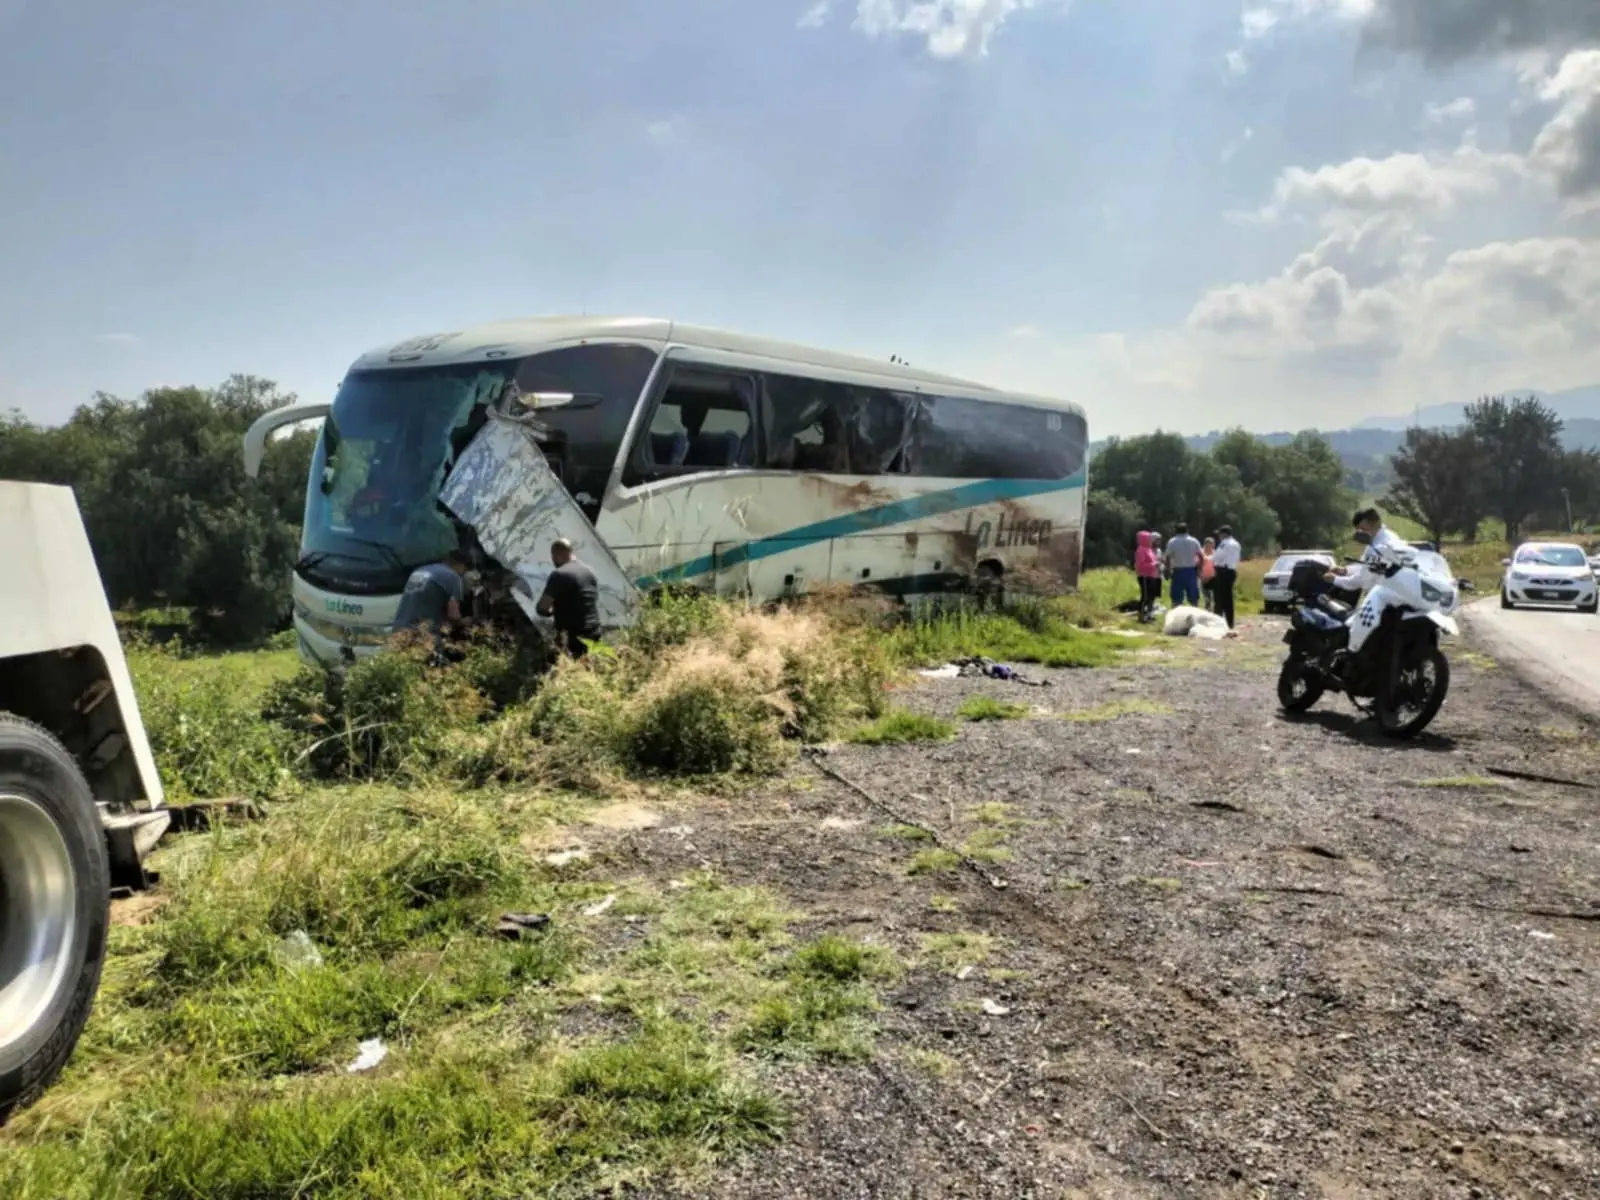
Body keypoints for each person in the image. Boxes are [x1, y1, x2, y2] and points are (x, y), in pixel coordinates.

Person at [537, 537, 603, 657]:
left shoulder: (559, 574)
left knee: (564, 669)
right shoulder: (590, 571)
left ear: (556, 555)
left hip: (573, 638)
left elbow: (542, 607)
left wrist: (551, 611)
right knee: (590, 669)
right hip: (595, 632)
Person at [1327, 507, 1407, 597]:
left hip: (1386, 598)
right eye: (1359, 530)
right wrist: (1346, 570)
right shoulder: (1386, 536)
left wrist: (1334, 579)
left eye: (1364, 529)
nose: (1361, 533)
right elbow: (1366, 566)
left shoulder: (1379, 547)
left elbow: (1361, 579)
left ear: (1376, 523)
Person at [1165, 522, 1203, 609]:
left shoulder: (1172, 541)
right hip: (1191, 571)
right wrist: (1199, 569)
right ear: (1187, 530)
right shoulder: (1194, 541)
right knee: (1194, 598)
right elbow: (1201, 556)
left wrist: (1168, 570)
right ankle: (1195, 615)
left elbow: (1167, 557)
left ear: (1176, 530)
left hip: (1178, 570)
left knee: (1176, 598)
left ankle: (1176, 617)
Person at [1212, 526, 1242, 629]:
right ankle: (1230, 622)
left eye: (1220, 534)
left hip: (1223, 571)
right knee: (1228, 599)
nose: (1219, 536)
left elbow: (1217, 556)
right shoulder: (1236, 543)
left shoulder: (1224, 543)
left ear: (1224, 534)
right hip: (1231, 571)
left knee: (1219, 598)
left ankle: (1217, 622)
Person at [1134, 530, 1162, 623]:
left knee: (1151, 596)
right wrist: (1154, 565)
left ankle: (1148, 615)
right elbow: (1140, 565)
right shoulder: (1141, 550)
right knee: (1145, 597)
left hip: (1151, 575)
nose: (1151, 541)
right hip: (1144, 576)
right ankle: (1141, 616)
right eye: (1149, 538)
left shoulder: (1149, 549)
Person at [1200, 536, 1217, 612]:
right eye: (1208, 544)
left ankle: (1213, 609)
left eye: (1212, 544)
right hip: (1203, 576)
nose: (1210, 546)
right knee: (1206, 595)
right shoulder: (1201, 552)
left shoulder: (1215, 553)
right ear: (1205, 544)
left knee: (1213, 595)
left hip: (1213, 576)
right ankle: (1207, 608)